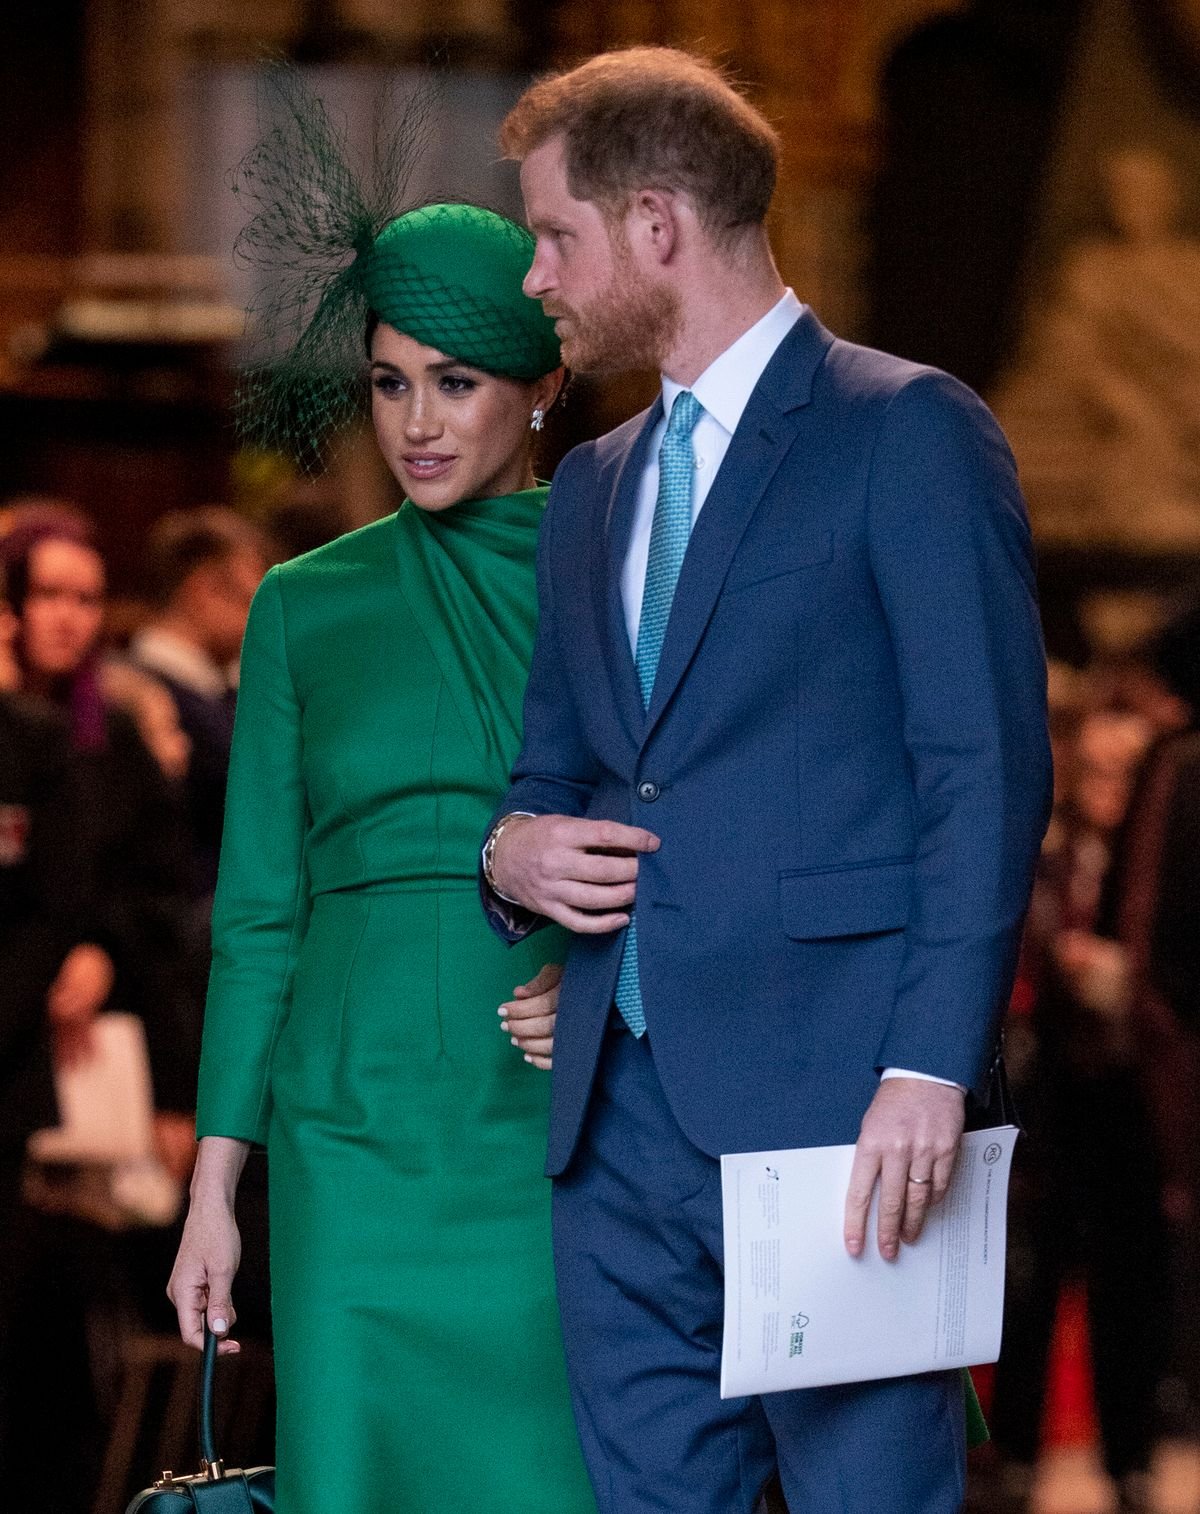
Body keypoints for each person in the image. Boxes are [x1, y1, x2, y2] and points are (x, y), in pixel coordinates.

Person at [481, 48, 1052, 1514]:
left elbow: (982, 773)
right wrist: (515, 857)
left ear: (656, 222)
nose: (536, 276)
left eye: (556, 235)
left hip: (847, 1112)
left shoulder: (907, 428)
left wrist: (928, 1066)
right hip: (613, 1122)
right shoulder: (591, 485)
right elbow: (553, 762)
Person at [167, 72, 595, 1514]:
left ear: (545, 385)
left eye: (456, 381)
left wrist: (614, 971)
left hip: (537, 1105)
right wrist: (216, 1179)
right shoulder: (301, 603)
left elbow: (685, 827)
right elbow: (256, 913)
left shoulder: (616, 581)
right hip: (342, 1127)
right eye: (389, 379)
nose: (416, 421)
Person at [129, 507, 268, 896]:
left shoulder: (222, 690)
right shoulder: (141, 695)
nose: (261, 617)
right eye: (250, 600)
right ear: (204, 590)